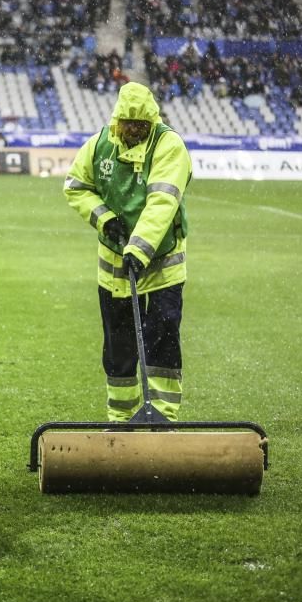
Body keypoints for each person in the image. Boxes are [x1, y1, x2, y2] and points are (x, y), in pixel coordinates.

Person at [63, 82, 192, 423]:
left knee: (162, 336)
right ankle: (120, 419)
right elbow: (76, 187)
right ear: (116, 120)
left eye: (141, 125)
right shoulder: (98, 145)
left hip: (162, 261)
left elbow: (162, 201)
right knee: (119, 345)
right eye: (128, 124)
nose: (134, 130)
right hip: (113, 267)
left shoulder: (169, 146)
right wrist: (105, 220)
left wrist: (139, 247)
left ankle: (162, 417)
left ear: (152, 123)